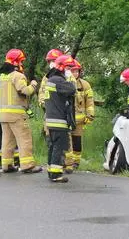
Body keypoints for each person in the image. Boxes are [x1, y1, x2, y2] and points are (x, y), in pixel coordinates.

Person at [0, 49, 42, 173]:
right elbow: (24, 91)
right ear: (16, 62)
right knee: (25, 139)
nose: (22, 64)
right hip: (17, 114)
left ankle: (7, 165)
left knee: (7, 140)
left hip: (4, 115)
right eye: (21, 61)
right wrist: (33, 84)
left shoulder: (3, 76)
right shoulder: (18, 76)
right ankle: (27, 165)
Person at [44, 55, 77, 183]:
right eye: (68, 67)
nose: (69, 70)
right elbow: (72, 89)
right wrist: (70, 77)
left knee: (53, 146)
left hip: (51, 120)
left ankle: (51, 170)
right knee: (59, 146)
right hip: (59, 120)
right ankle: (56, 174)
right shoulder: (58, 80)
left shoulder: (51, 79)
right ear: (63, 67)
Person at [70, 60, 95, 169]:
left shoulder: (85, 85)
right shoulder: (64, 82)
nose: (75, 73)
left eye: (76, 71)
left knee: (77, 141)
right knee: (66, 142)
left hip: (79, 120)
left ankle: (76, 162)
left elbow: (89, 102)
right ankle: (67, 162)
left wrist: (90, 116)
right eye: (72, 71)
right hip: (66, 119)